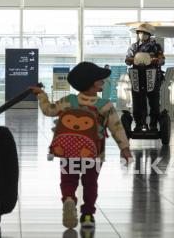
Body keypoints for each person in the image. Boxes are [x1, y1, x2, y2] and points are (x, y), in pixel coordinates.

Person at [30, 62, 132, 229]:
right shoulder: (105, 105)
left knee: (68, 180)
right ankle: (87, 214)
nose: (103, 82)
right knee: (90, 183)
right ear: (94, 84)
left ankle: (69, 197)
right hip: (93, 153)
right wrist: (125, 149)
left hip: (68, 151)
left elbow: (48, 110)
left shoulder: (67, 101)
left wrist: (41, 94)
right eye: (101, 80)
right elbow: (117, 128)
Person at [125, 23, 165, 131]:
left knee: (154, 101)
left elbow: (162, 59)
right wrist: (132, 60)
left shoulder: (156, 46)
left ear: (149, 34)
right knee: (137, 101)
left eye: (144, 33)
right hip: (137, 76)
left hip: (152, 76)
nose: (141, 34)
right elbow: (127, 59)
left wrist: (157, 60)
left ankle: (153, 124)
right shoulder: (133, 46)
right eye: (140, 32)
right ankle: (139, 124)